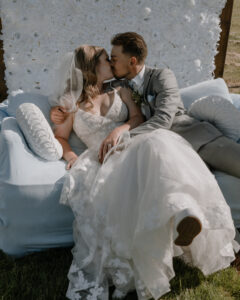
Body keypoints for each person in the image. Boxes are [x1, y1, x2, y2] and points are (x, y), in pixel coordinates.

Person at [52, 44, 238, 300]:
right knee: (150, 151)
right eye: (107, 60)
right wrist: (71, 156)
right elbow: (60, 137)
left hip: (131, 143)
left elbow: (138, 118)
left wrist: (120, 130)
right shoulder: (71, 103)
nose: (113, 63)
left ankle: (184, 214)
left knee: (158, 140)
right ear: (93, 67)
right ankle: (177, 218)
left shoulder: (122, 89)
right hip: (103, 158)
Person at [52, 32, 240, 179]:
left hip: (196, 139)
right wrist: (57, 112)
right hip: (155, 153)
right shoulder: (115, 86)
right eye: (108, 59)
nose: (111, 62)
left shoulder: (161, 77)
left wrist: (121, 135)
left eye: (114, 59)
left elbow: (163, 120)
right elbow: (82, 97)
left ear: (131, 61)